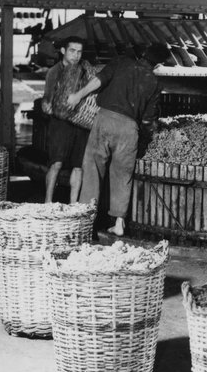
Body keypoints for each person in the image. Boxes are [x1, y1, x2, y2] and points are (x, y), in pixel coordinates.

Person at [66, 42, 172, 237]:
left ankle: (86, 221)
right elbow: (149, 119)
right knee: (123, 175)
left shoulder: (122, 63)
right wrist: (151, 136)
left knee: (92, 169)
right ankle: (119, 224)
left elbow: (99, 80)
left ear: (142, 54)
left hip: (105, 119)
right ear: (158, 65)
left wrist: (77, 96)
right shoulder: (155, 83)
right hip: (129, 128)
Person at [41, 36, 90, 204]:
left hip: (81, 122)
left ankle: (73, 205)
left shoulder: (85, 70)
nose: (76, 55)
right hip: (60, 123)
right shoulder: (54, 71)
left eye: (79, 52)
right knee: (56, 163)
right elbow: (47, 98)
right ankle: (48, 203)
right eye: (72, 51)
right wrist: (46, 105)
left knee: (79, 166)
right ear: (63, 51)